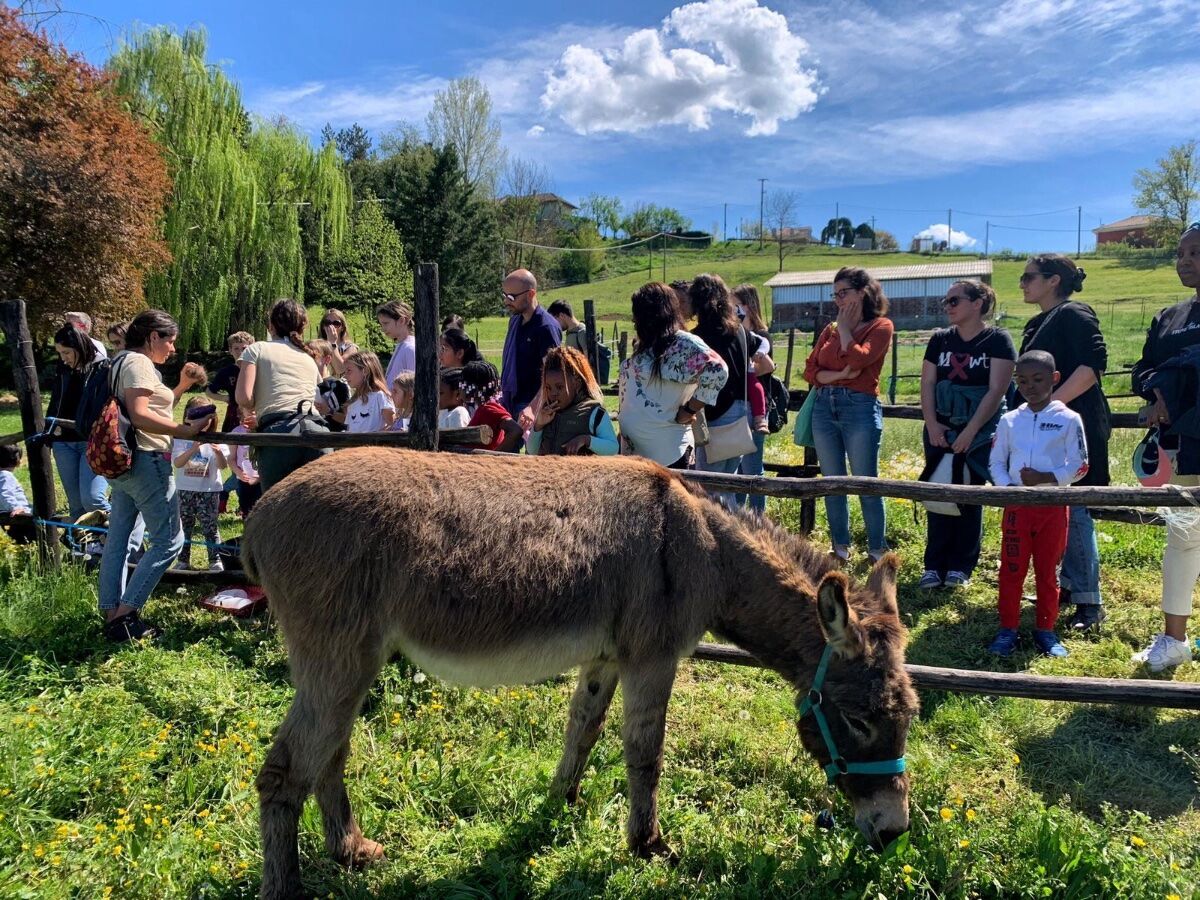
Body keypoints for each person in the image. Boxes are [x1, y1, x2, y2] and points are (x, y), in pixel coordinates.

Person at [98, 309, 208, 642]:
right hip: (146, 461)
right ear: (152, 337)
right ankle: (126, 615)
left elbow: (151, 407)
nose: (173, 349)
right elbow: (142, 415)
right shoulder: (138, 363)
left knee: (118, 539)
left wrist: (182, 386)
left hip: (124, 464)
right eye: (170, 341)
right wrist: (184, 430)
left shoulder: (121, 361)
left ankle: (111, 612)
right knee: (169, 541)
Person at [1018, 253, 1110, 633]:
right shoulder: (1035, 323)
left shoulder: (1074, 313)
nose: (1022, 283)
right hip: (1043, 428)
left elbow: (1092, 366)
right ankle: (1070, 586)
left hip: (1076, 425)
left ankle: (1090, 602)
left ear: (1054, 280)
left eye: (1029, 277)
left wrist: (1051, 405)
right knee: (1059, 510)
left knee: (1077, 509)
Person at [1129, 222, 1200, 671]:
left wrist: (1170, 384)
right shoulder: (1168, 316)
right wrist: (1157, 392)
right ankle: (1175, 639)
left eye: (1194, 253)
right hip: (1181, 446)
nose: (1184, 261)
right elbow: (1143, 369)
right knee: (1183, 538)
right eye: (1180, 254)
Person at [988, 351, 1088, 658]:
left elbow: (1081, 464)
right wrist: (1009, 489)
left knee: (1048, 572)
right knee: (1012, 569)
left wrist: (1048, 477)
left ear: (1054, 379)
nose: (1029, 387)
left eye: (1038, 379)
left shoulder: (1069, 419)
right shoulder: (1009, 420)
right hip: (1017, 508)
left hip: (1054, 507)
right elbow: (995, 461)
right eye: (1022, 381)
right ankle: (1008, 629)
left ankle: (1046, 629)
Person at [918, 281, 1016, 589]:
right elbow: (928, 384)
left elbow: (997, 389)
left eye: (954, 300)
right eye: (945, 301)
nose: (947, 306)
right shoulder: (940, 340)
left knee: (970, 494)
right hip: (941, 426)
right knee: (937, 490)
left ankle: (961, 566)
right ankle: (934, 565)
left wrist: (971, 431)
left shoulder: (998, 340)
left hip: (979, 428)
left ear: (978, 302)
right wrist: (933, 424)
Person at [803, 267, 894, 562]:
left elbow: (860, 358)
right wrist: (840, 374)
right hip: (823, 407)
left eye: (844, 293)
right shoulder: (828, 330)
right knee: (833, 481)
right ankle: (840, 547)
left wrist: (844, 331)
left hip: (859, 407)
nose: (838, 300)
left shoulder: (880, 326)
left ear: (863, 292)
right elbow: (809, 371)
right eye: (835, 294)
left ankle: (877, 548)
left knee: (866, 480)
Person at [618, 282, 729, 469]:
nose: (635, 320)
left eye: (638, 313)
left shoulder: (682, 342)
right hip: (638, 455)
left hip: (669, 453)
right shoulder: (648, 343)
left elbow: (718, 369)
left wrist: (690, 410)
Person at [236, 299, 327, 491]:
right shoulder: (308, 357)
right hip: (318, 432)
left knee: (275, 510)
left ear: (271, 325)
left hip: (279, 435)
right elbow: (320, 399)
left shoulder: (256, 349)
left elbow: (243, 398)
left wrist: (257, 405)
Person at [690, 274, 755, 505]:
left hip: (717, 414)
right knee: (728, 486)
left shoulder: (699, 337)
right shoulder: (740, 331)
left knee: (708, 491)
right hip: (741, 413)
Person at [46, 323, 109, 521]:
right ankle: (87, 550)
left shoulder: (103, 368)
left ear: (79, 347)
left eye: (66, 352)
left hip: (92, 442)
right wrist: (49, 433)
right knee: (77, 506)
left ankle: (128, 540)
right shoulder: (63, 369)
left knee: (92, 499)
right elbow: (57, 400)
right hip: (63, 441)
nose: (63, 358)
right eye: (60, 353)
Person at [732, 283, 776, 512]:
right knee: (738, 467)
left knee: (752, 467)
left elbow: (767, 367)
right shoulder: (735, 333)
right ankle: (739, 515)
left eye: (735, 304)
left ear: (746, 307)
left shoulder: (760, 336)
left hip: (755, 402)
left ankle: (758, 518)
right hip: (738, 402)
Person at [500, 269, 561, 430]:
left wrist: (532, 408)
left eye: (512, 297)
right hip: (511, 399)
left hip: (534, 404)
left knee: (533, 454)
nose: (506, 302)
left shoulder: (546, 328)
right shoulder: (515, 321)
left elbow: (553, 375)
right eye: (504, 295)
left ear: (530, 294)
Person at [173, 397, 230, 572]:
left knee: (210, 526)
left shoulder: (217, 439)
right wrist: (193, 448)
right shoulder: (180, 438)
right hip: (185, 489)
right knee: (185, 525)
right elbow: (178, 463)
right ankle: (183, 560)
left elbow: (222, 466)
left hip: (209, 490)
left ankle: (215, 559)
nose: (202, 421)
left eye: (206, 415)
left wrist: (219, 453)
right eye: (198, 415)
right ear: (187, 416)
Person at [528, 347, 618, 456]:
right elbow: (532, 450)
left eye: (560, 387)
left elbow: (613, 448)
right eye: (548, 387)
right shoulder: (546, 412)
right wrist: (538, 425)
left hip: (581, 473)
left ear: (577, 383)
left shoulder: (594, 412)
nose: (553, 393)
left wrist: (586, 440)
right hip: (548, 472)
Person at [462, 360, 522, 451]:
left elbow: (515, 430)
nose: (459, 389)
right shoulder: (483, 408)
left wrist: (495, 456)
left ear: (473, 387)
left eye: (463, 384)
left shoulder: (488, 410)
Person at [207, 331, 255, 433]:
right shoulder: (226, 372)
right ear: (230, 350)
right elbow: (209, 392)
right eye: (236, 348)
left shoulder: (257, 369)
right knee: (231, 441)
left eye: (244, 348)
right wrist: (225, 397)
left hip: (254, 411)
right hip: (234, 413)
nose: (240, 352)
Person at [343, 351, 395, 433]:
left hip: (374, 445)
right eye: (345, 372)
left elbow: (392, 425)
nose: (345, 375)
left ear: (365, 371)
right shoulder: (352, 402)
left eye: (349, 371)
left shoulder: (380, 396)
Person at [228, 406, 262, 519]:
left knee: (262, 510)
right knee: (246, 509)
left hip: (263, 478)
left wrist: (261, 476)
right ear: (241, 410)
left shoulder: (265, 430)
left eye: (255, 406)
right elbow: (231, 459)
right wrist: (239, 473)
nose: (252, 409)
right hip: (244, 479)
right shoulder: (236, 432)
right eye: (248, 406)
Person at [0, 444, 35, 545]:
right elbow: (5, 494)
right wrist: (15, 507)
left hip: (8, 515)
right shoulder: (6, 476)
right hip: (18, 516)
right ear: (18, 461)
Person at [378, 300, 416, 390]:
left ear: (402, 321)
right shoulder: (402, 345)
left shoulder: (410, 348)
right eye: (381, 324)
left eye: (386, 323)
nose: (383, 329)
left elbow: (413, 384)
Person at [318, 308, 359, 378]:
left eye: (336, 323)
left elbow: (340, 369)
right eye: (327, 323)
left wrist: (333, 343)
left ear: (342, 327)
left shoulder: (350, 347)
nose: (331, 326)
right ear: (323, 326)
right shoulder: (317, 346)